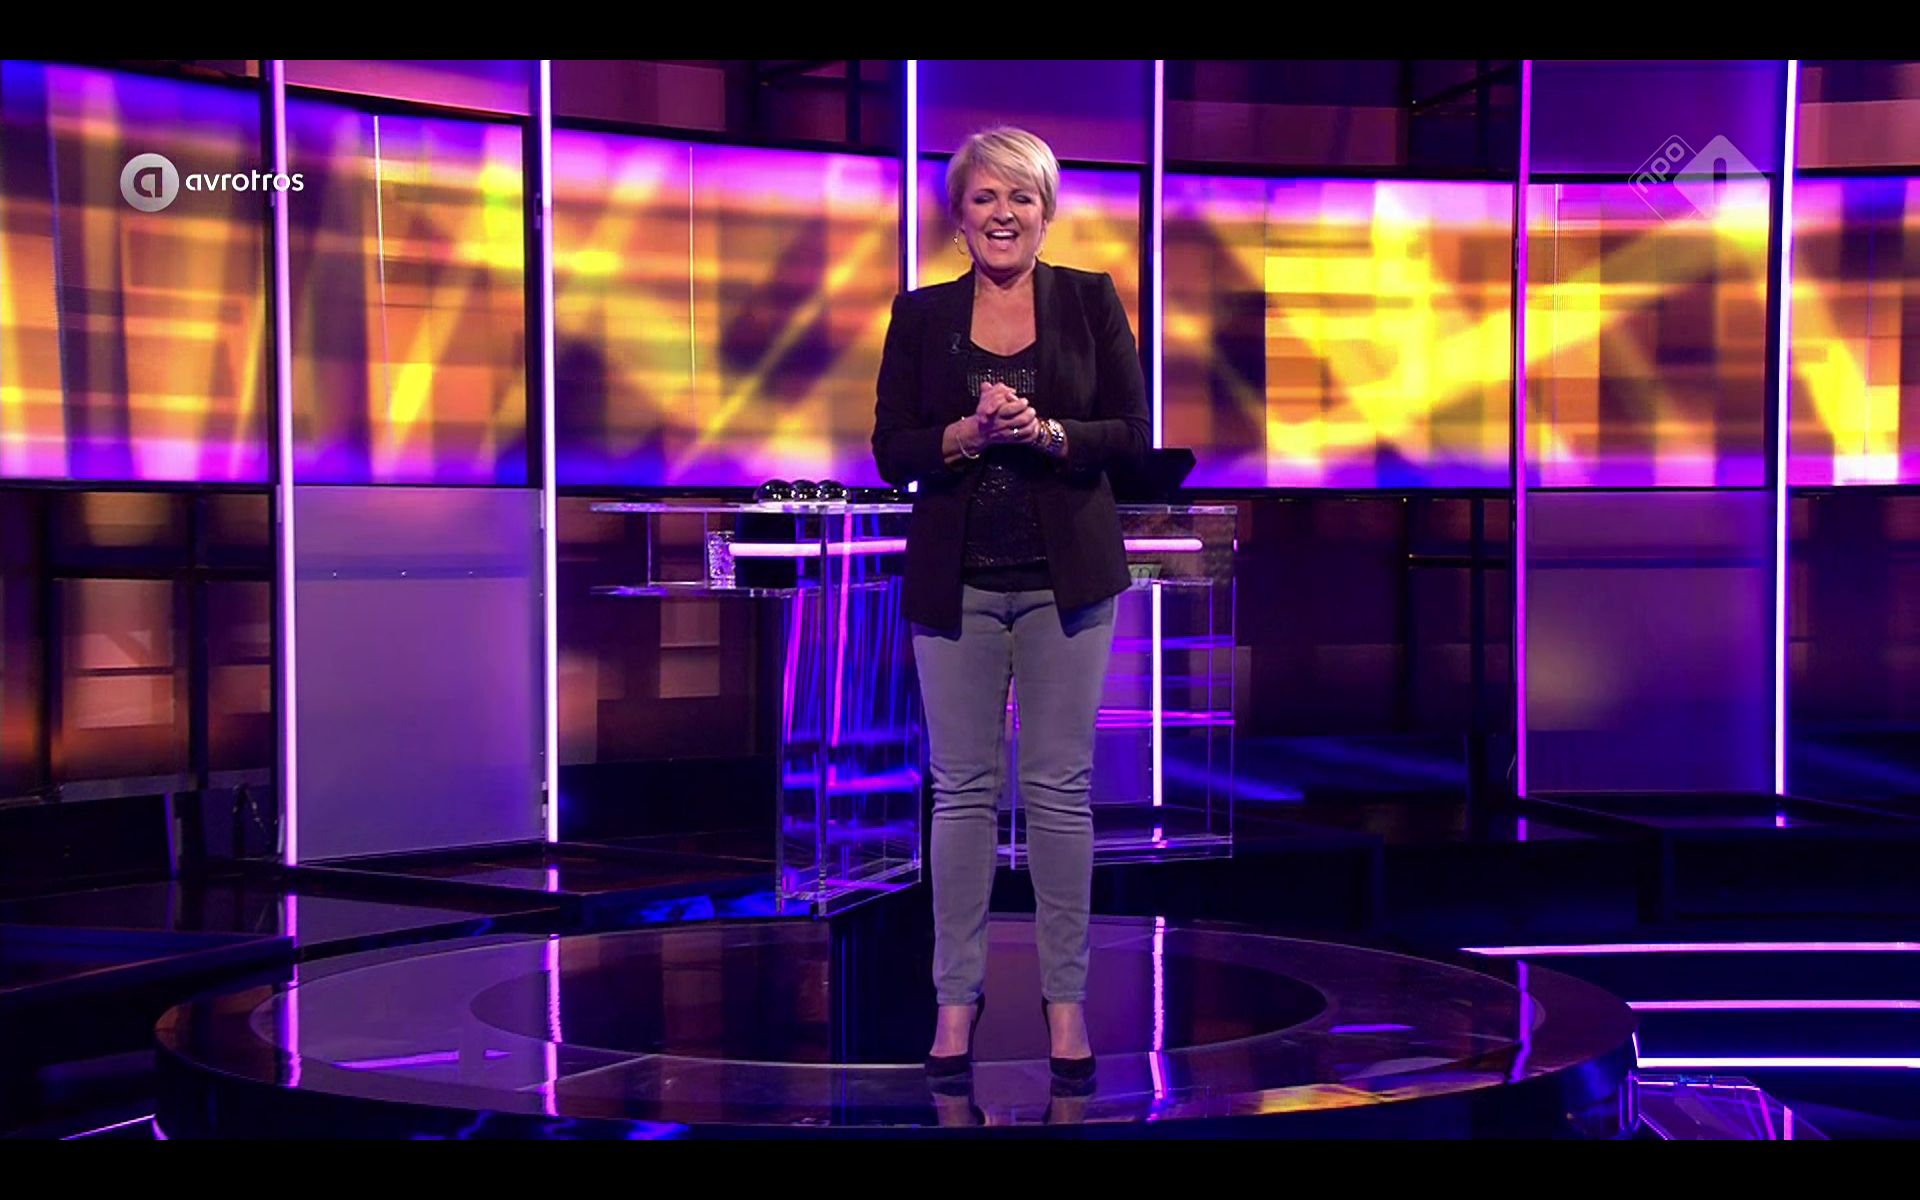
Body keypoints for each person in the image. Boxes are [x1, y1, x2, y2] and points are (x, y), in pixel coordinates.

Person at [870, 126, 1149, 1086]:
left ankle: (1065, 1003)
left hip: (1066, 583)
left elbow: (1132, 432)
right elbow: (890, 447)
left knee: (1060, 792)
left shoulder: (1089, 299)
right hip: (957, 584)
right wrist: (964, 434)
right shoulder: (921, 314)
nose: (1003, 214)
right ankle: (955, 1000)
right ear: (960, 215)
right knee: (961, 793)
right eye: (986, 197)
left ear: (1046, 212)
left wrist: (1051, 432)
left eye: (1021, 197)